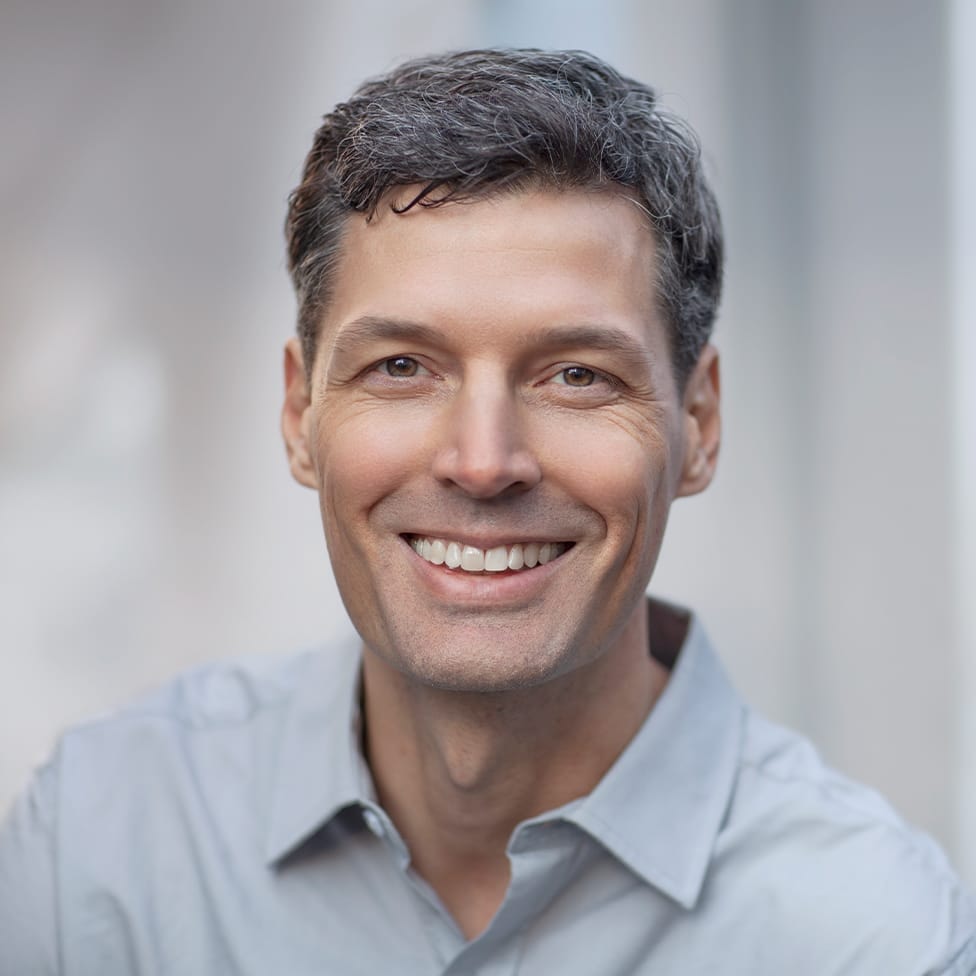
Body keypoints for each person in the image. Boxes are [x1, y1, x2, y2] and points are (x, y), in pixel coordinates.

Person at [1, 48, 974, 975]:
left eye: (576, 375)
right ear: (300, 415)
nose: (483, 461)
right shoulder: (101, 848)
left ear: (699, 423)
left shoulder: (870, 938)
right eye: (402, 367)